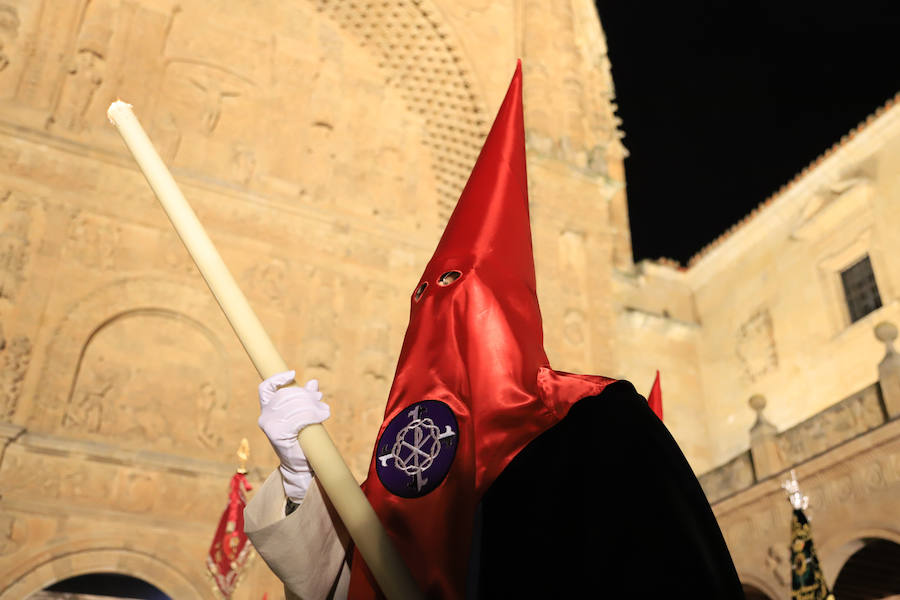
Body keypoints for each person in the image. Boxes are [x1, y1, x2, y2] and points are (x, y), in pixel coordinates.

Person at [244, 62, 744, 599]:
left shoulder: (596, 418)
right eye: (426, 292)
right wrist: (302, 477)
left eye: (458, 283)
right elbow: (352, 575)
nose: (439, 305)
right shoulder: (413, 456)